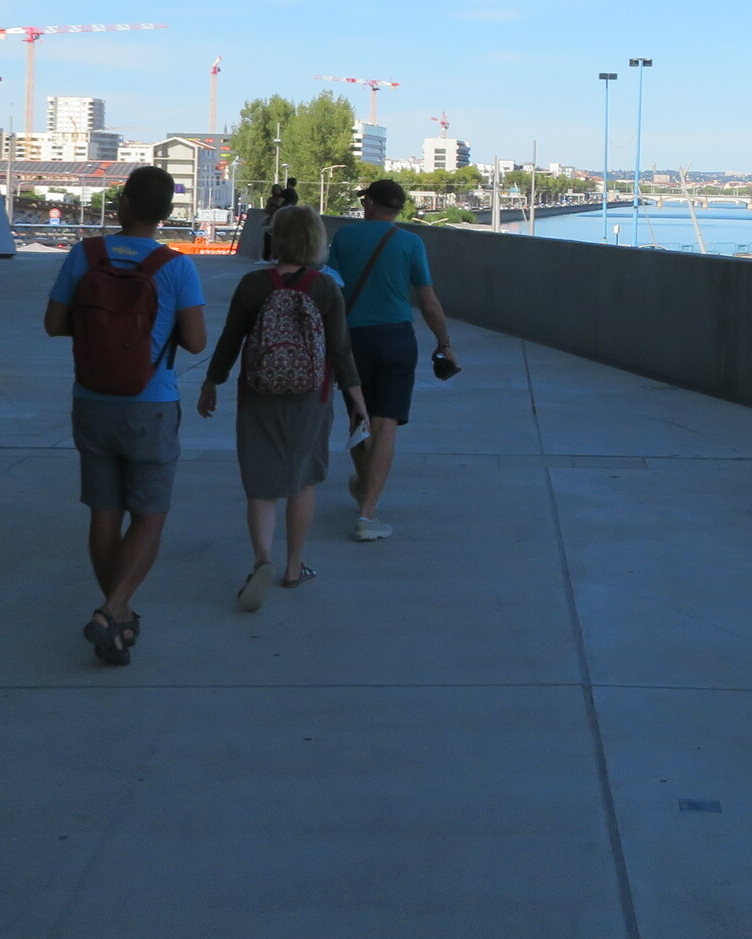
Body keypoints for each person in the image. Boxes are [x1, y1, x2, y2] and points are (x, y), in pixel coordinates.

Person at [42, 165, 207, 666]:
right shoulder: (176, 267)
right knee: (150, 514)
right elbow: (196, 341)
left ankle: (118, 618)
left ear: (123, 204)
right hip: (150, 404)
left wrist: (101, 332)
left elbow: (54, 324)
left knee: (104, 512)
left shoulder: (84, 254)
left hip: (92, 400)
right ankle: (113, 610)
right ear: (166, 213)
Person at [195, 204, 367, 607]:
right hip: (311, 396)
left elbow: (230, 340)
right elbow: (341, 350)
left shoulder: (254, 285)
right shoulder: (325, 288)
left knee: (262, 485)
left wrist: (211, 382)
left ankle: (261, 561)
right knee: (303, 480)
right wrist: (356, 397)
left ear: (277, 238)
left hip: (259, 393)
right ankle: (293, 566)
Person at [324, 178, 456, 542]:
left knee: (359, 418)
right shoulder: (411, 242)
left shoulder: (345, 237)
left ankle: (364, 483)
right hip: (396, 339)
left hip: (352, 340)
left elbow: (331, 288)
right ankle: (368, 513)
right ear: (398, 208)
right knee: (385, 425)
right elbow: (429, 302)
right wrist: (444, 343)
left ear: (369, 202)